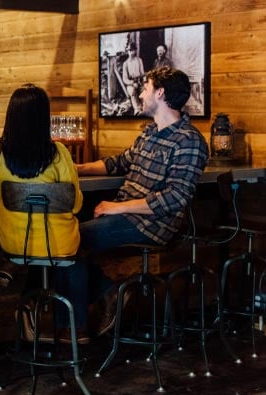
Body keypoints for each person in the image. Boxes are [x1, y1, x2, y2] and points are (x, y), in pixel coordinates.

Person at [75, 67, 209, 335]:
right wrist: (75, 168)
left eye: (145, 87)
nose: (140, 92)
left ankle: (78, 324)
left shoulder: (190, 141)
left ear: (160, 93)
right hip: (127, 216)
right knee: (62, 239)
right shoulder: (150, 132)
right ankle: (105, 295)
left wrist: (117, 207)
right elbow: (119, 163)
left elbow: (175, 197)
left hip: (154, 225)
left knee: (68, 241)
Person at [0, 84, 85, 342]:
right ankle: (56, 318)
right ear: (44, 117)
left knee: (39, 251)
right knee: (79, 253)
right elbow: (75, 205)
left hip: (14, 244)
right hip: (60, 246)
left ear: (11, 115)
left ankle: (27, 303)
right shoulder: (60, 153)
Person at [122, 42, 145, 115]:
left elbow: (142, 74)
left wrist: (144, 82)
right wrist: (132, 83)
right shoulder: (125, 63)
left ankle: (144, 108)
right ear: (127, 51)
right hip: (130, 83)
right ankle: (137, 109)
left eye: (132, 50)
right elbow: (125, 79)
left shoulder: (139, 60)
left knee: (144, 90)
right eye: (129, 51)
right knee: (132, 91)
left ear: (135, 51)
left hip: (139, 81)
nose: (131, 52)